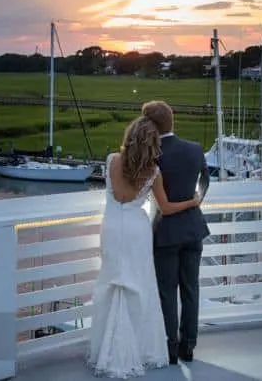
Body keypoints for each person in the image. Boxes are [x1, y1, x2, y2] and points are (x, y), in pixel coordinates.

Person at [87, 116, 203, 378]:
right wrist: (192, 202)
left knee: (112, 282)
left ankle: (106, 350)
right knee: (137, 286)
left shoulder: (112, 161)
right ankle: (137, 349)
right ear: (152, 143)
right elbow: (166, 208)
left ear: (129, 136)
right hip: (138, 230)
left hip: (113, 227)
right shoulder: (153, 172)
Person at [143, 100, 210, 364]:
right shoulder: (194, 149)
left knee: (167, 291)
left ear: (150, 125)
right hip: (193, 228)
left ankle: (171, 346)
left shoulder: (152, 154)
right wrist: (196, 201)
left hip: (166, 232)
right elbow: (205, 180)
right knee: (191, 289)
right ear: (172, 120)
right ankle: (189, 346)